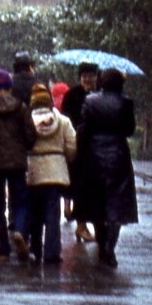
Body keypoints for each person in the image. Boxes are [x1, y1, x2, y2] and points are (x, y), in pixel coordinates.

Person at [76, 66, 138, 268]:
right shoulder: (126, 103)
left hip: (94, 156)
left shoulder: (90, 101)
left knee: (97, 204)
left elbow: (83, 130)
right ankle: (111, 245)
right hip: (118, 156)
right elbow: (129, 130)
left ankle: (102, 244)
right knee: (117, 205)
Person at [0, 68, 36, 260]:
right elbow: (30, 135)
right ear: (10, 87)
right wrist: (24, 147)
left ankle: (3, 247)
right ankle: (19, 230)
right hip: (18, 162)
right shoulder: (21, 108)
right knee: (21, 200)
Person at [26, 83, 77, 264]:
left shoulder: (27, 121)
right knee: (52, 214)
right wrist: (65, 160)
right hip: (56, 171)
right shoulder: (63, 121)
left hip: (33, 171)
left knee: (35, 213)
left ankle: (35, 249)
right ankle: (52, 252)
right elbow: (72, 146)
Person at [63, 63, 98, 234]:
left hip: (94, 147)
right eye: (84, 75)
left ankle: (88, 223)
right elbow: (67, 118)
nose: (88, 79)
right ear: (79, 77)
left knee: (91, 188)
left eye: (91, 75)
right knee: (78, 184)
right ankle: (81, 224)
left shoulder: (100, 94)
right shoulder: (72, 95)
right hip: (76, 144)